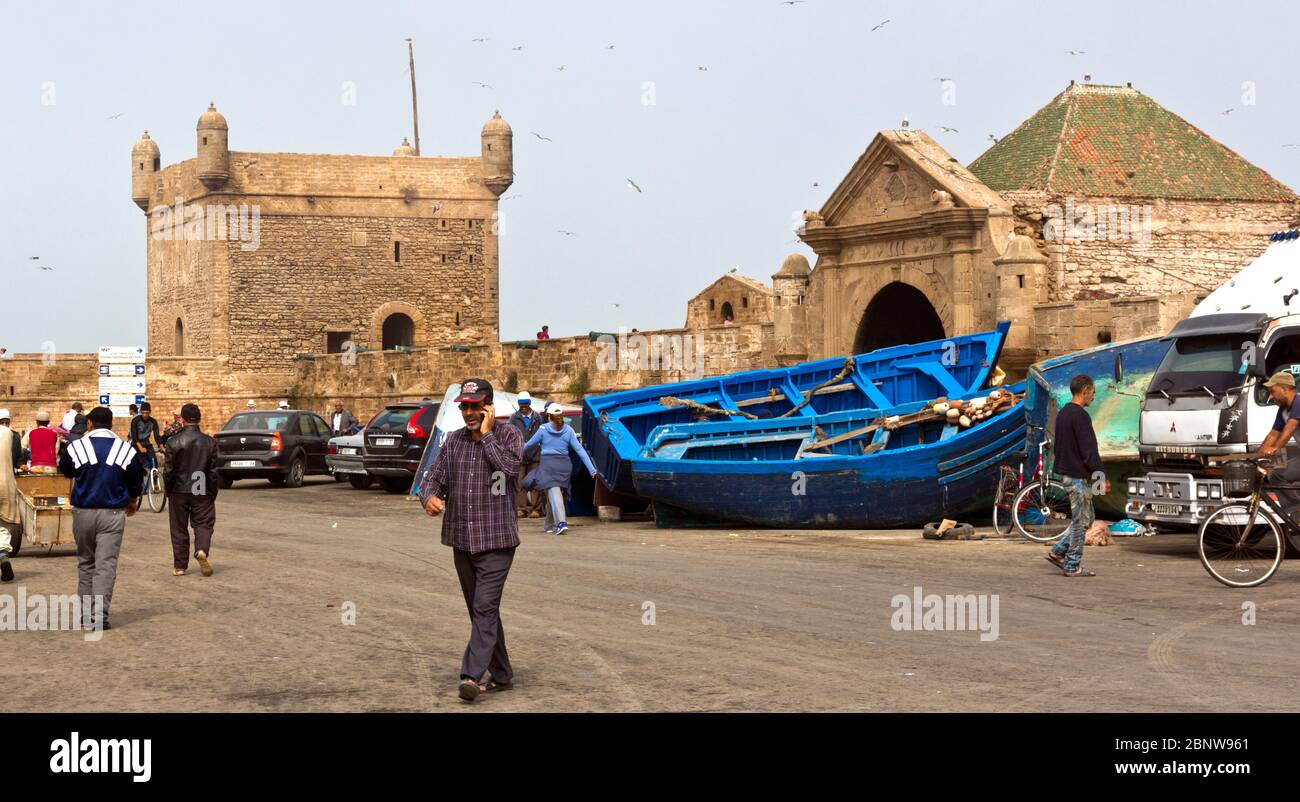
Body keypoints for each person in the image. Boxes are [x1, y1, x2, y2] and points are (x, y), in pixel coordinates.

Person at [417, 377, 523, 703]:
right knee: (482, 612)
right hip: (462, 541)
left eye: (475, 407)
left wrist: (488, 435)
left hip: (497, 541)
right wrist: (430, 497)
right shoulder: (452, 441)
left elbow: (509, 468)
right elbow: (432, 478)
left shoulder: (510, 437)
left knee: (484, 607)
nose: (469, 413)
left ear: (489, 407)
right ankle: (502, 673)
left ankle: (470, 675)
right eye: (465, 407)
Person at [58, 406, 146, 630]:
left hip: (82, 512)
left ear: (89, 423)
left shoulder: (77, 446)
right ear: (111, 424)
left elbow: (66, 470)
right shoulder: (124, 449)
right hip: (112, 513)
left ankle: (86, 615)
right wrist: (133, 500)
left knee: (86, 563)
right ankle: (99, 617)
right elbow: (136, 480)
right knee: (105, 565)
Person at [1045, 374, 1105, 577]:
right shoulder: (1080, 415)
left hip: (1069, 475)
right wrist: (1100, 477)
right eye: (1093, 393)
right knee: (1080, 523)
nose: (1093, 397)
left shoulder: (1063, 414)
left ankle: (1058, 551)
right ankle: (1072, 565)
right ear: (1085, 390)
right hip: (1078, 477)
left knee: (1088, 519)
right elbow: (1089, 451)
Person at [522, 402, 599, 536]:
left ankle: (562, 523)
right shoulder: (569, 430)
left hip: (548, 464)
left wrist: (515, 452)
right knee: (553, 492)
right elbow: (580, 450)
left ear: (549, 416)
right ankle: (548, 524)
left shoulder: (543, 429)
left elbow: (528, 446)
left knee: (553, 490)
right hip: (564, 465)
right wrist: (592, 469)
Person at [164, 403, 218, 577]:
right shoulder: (209, 442)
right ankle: (201, 549)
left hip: (178, 487)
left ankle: (180, 566)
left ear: (183, 419)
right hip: (199, 483)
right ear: (199, 419)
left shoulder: (173, 441)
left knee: (178, 527)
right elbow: (213, 472)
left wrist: (168, 490)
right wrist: (212, 493)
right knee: (203, 522)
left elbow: (169, 471)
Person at [1258, 371, 1300, 506]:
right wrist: (1257, 456)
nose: (1271, 396)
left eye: (1273, 391)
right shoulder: (1283, 410)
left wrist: (1275, 448)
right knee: (1276, 475)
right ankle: (1295, 515)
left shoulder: (1299, 402)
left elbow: (1291, 427)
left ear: (1285, 389)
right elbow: (1273, 434)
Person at [507, 391, 545, 518]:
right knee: (520, 483)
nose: (523, 406)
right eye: (521, 404)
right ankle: (521, 509)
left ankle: (536, 509)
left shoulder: (538, 418)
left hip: (535, 455)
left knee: (536, 482)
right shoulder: (513, 418)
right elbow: (509, 435)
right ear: (518, 404)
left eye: (526, 404)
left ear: (529, 403)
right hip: (519, 456)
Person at [0, 409, 22, 583]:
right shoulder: (13, 435)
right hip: (6, 484)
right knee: (4, 524)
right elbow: (16, 460)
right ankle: (3, 555)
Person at [129, 401, 163, 473]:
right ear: (141, 412)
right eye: (143, 413)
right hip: (136, 444)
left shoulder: (153, 421)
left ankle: (155, 480)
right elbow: (134, 436)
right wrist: (140, 447)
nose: (144, 415)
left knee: (154, 463)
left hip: (146, 443)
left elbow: (157, 436)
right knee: (141, 464)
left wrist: (161, 446)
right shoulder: (135, 420)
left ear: (150, 412)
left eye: (146, 413)